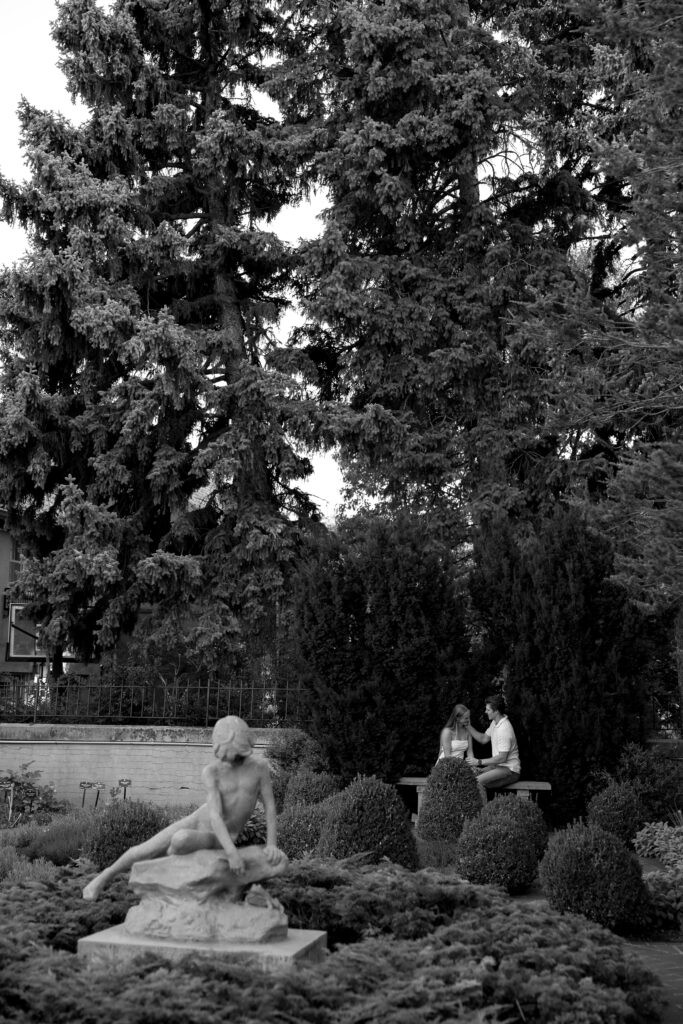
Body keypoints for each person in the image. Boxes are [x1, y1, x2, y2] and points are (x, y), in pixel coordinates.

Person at [82, 715, 287, 900]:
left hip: (217, 837)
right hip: (199, 819)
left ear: (242, 746)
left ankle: (171, 857)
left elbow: (270, 806)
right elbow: (215, 815)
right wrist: (232, 854)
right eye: (221, 754)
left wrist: (271, 844)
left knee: (180, 840)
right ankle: (102, 879)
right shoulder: (212, 771)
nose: (224, 759)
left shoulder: (259, 768)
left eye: (230, 755)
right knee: (144, 849)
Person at [465, 694, 520, 803]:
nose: (486, 712)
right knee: (471, 776)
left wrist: (479, 762)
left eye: (488, 710)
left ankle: (482, 815)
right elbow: (483, 739)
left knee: (477, 782)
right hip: (498, 767)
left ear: (496, 711)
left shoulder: (504, 729)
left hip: (510, 770)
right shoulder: (495, 723)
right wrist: (467, 726)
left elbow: (502, 758)